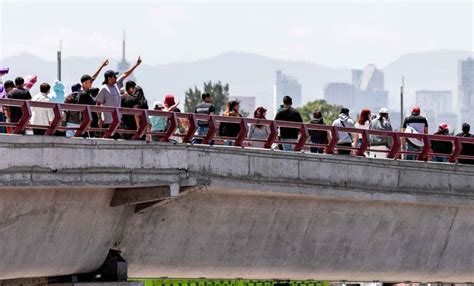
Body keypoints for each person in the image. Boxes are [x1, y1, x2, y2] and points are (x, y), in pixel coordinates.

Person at [96, 56, 142, 137]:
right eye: (114, 76)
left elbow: (125, 74)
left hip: (118, 121)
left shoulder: (116, 85)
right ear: (109, 78)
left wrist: (136, 65)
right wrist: (99, 118)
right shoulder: (104, 89)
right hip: (108, 122)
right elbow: (98, 104)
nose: (116, 78)